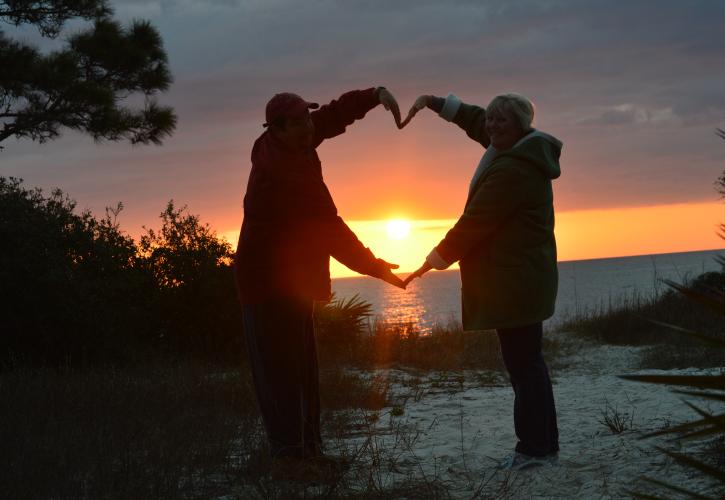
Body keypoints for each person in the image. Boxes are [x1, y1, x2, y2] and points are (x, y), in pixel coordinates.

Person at [234, 87, 405, 478]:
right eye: (297, 123)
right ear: (276, 129)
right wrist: (375, 266)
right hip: (265, 282)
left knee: (303, 369)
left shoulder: (294, 140)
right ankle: (290, 459)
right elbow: (329, 228)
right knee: (281, 373)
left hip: (293, 278)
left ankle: (309, 452)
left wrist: (374, 96)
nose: (308, 128)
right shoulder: (284, 169)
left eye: (306, 119)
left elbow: (329, 117)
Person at [402, 92, 561, 470]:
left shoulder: (514, 168)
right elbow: (477, 121)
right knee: (528, 364)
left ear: (520, 126)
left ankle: (536, 449)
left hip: (516, 281)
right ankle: (542, 445)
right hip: (521, 277)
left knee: (525, 367)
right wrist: (436, 103)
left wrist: (430, 262)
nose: (491, 126)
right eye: (491, 120)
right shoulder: (517, 147)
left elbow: (474, 222)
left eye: (501, 121)